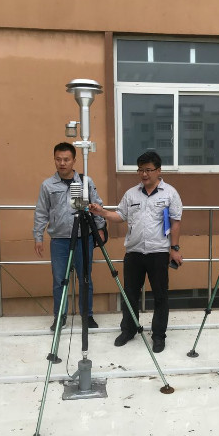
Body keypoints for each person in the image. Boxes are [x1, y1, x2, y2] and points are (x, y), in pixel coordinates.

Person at [89, 151, 183, 353]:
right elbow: (120, 215)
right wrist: (102, 212)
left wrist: (174, 249)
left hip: (159, 251)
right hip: (134, 252)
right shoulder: (131, 194)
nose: (144, 174)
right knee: (130, 294)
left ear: (158, 170)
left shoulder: (170, 193)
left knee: (160, 296)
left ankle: (158, 336)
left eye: (148, 170)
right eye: (140, 170)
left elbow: (175, 222)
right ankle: (129, 330)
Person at [33, 142, 106, 331]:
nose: (62, 163)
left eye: (66, 159)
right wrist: (38, 236)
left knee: (85, 278)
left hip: (83, 238)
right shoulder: (48, 185)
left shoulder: (84, 182)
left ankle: (87, 315)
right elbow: (41, 212)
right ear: (54, 160)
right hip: (59, 240)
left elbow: (96, 205)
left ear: (74, 160)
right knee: (60, 280)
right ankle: (60, 317)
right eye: (58, 159)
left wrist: (100, 228)